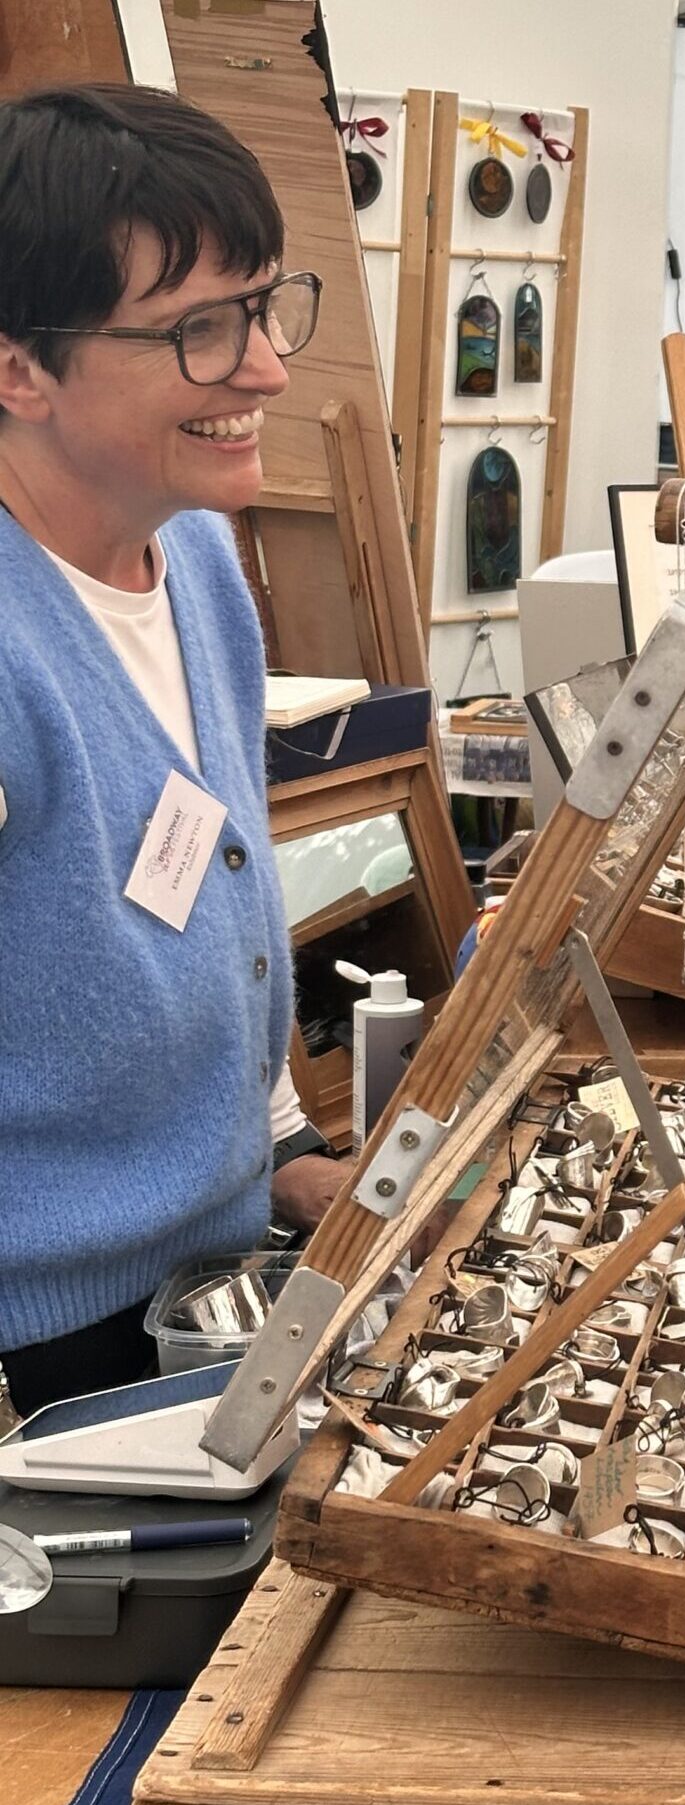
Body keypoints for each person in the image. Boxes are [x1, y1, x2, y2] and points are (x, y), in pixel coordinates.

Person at [0, 85, 350, 1421]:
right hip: (49, 1343)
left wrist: (278, 1147)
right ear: (19, 369)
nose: (264, 369)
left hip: (213, 1269)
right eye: (200, 330)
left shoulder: (195, 554)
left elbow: (209, 899)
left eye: (263, 307)